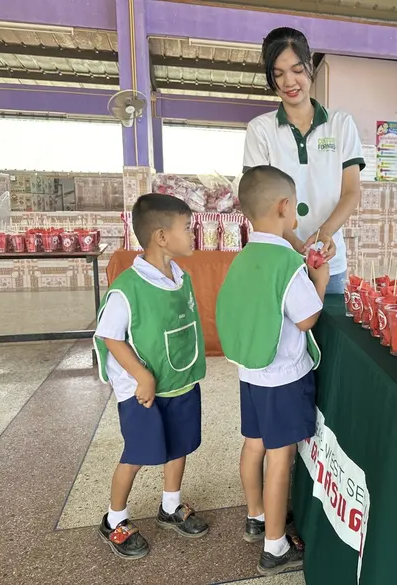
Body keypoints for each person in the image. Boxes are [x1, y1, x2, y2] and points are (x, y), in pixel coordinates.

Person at [216, 166, 329, 576]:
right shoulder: (285, 261)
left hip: (251, 372)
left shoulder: (245, 254)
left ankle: (256, 516)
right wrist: (319, 277)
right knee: (280, 457)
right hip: (283, 376)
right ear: (285, 207)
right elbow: (307, 319)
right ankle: (275, 547)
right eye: (295, 204)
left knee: (254, 445)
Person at [93, 194, 208, 560]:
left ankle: (170, 506)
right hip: (143, 391)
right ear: (161, 236)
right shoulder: (128, 288)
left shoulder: (180, 276)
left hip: (180, 381)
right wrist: (142, 376)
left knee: (180, 444)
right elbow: (111, 336)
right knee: (138, 453)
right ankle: (115, 520)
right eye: (187, 228)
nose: (194, 235)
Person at [242, 26, 364, 295]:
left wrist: (325, 234)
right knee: (282, 335)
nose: (289, 82)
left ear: (310, 66)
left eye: (297, 71)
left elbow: (351, 191)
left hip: (329, 260)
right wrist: (295, 243)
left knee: (327, 335)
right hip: (279, 258)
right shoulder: (260, 129)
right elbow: (257, 203)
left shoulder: (340, 124)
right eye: (279, 74)